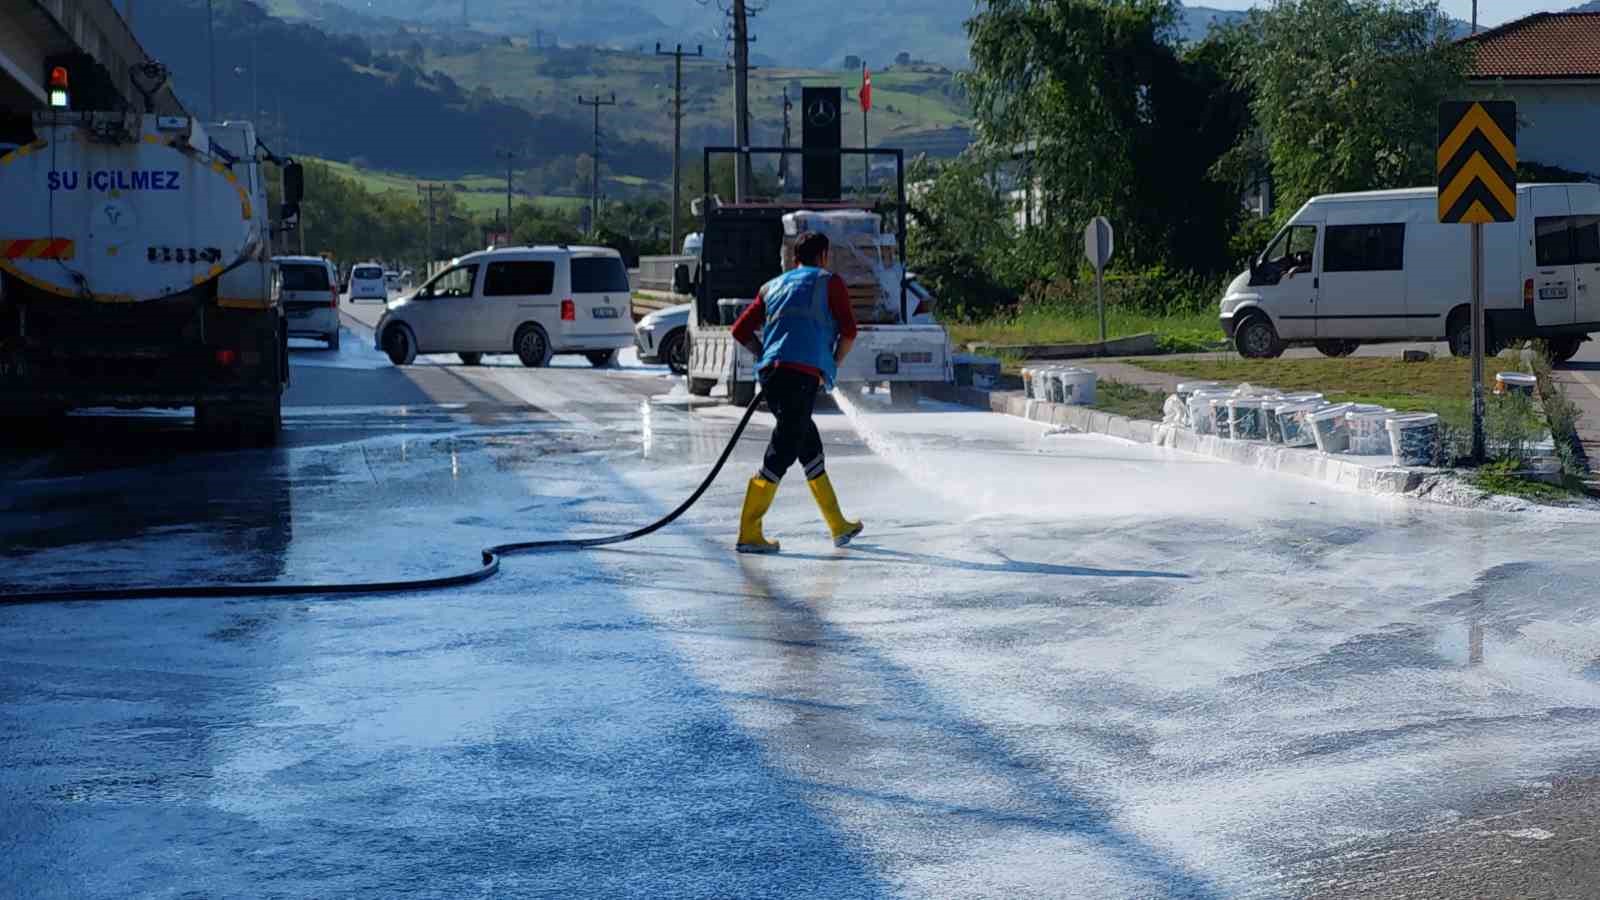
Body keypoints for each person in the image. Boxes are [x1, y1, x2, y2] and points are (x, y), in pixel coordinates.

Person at [728, 230, 863, 554]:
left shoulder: (772, 286)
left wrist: (765, 355)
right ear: (824, 255)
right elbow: (849, 331)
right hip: (800, 377)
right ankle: (749, 532)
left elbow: (740, 330)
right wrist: (832, 363)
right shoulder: (829, 282)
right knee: (784, 448)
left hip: (774, 376)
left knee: (808, 444)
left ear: (794, 258)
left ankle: (837, 525)